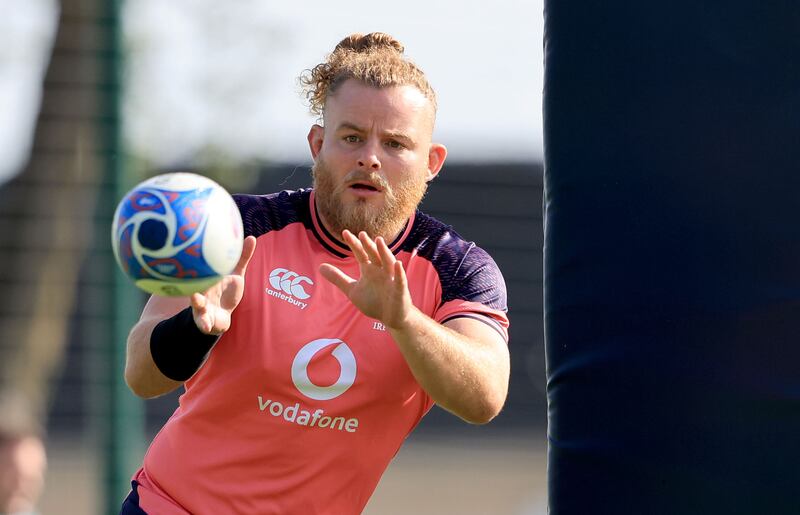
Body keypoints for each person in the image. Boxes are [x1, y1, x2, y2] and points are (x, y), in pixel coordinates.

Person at [120, 32, 511, 514]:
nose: (370, 157)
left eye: (394, 143)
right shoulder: (233, 228)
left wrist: (404, 319)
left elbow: (485, 397)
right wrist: (197, 329)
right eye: (351, 137)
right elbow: (140, 374)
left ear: (431, 163)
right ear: (317, 143)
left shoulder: (457, 269)